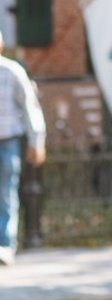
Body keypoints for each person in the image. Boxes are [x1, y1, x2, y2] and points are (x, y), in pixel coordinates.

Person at [0, 28, 46, 266]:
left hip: (8, 140)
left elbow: (30, 108)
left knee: (6, 193)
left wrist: (36, 141)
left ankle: (5, 245)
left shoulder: (12, 71)